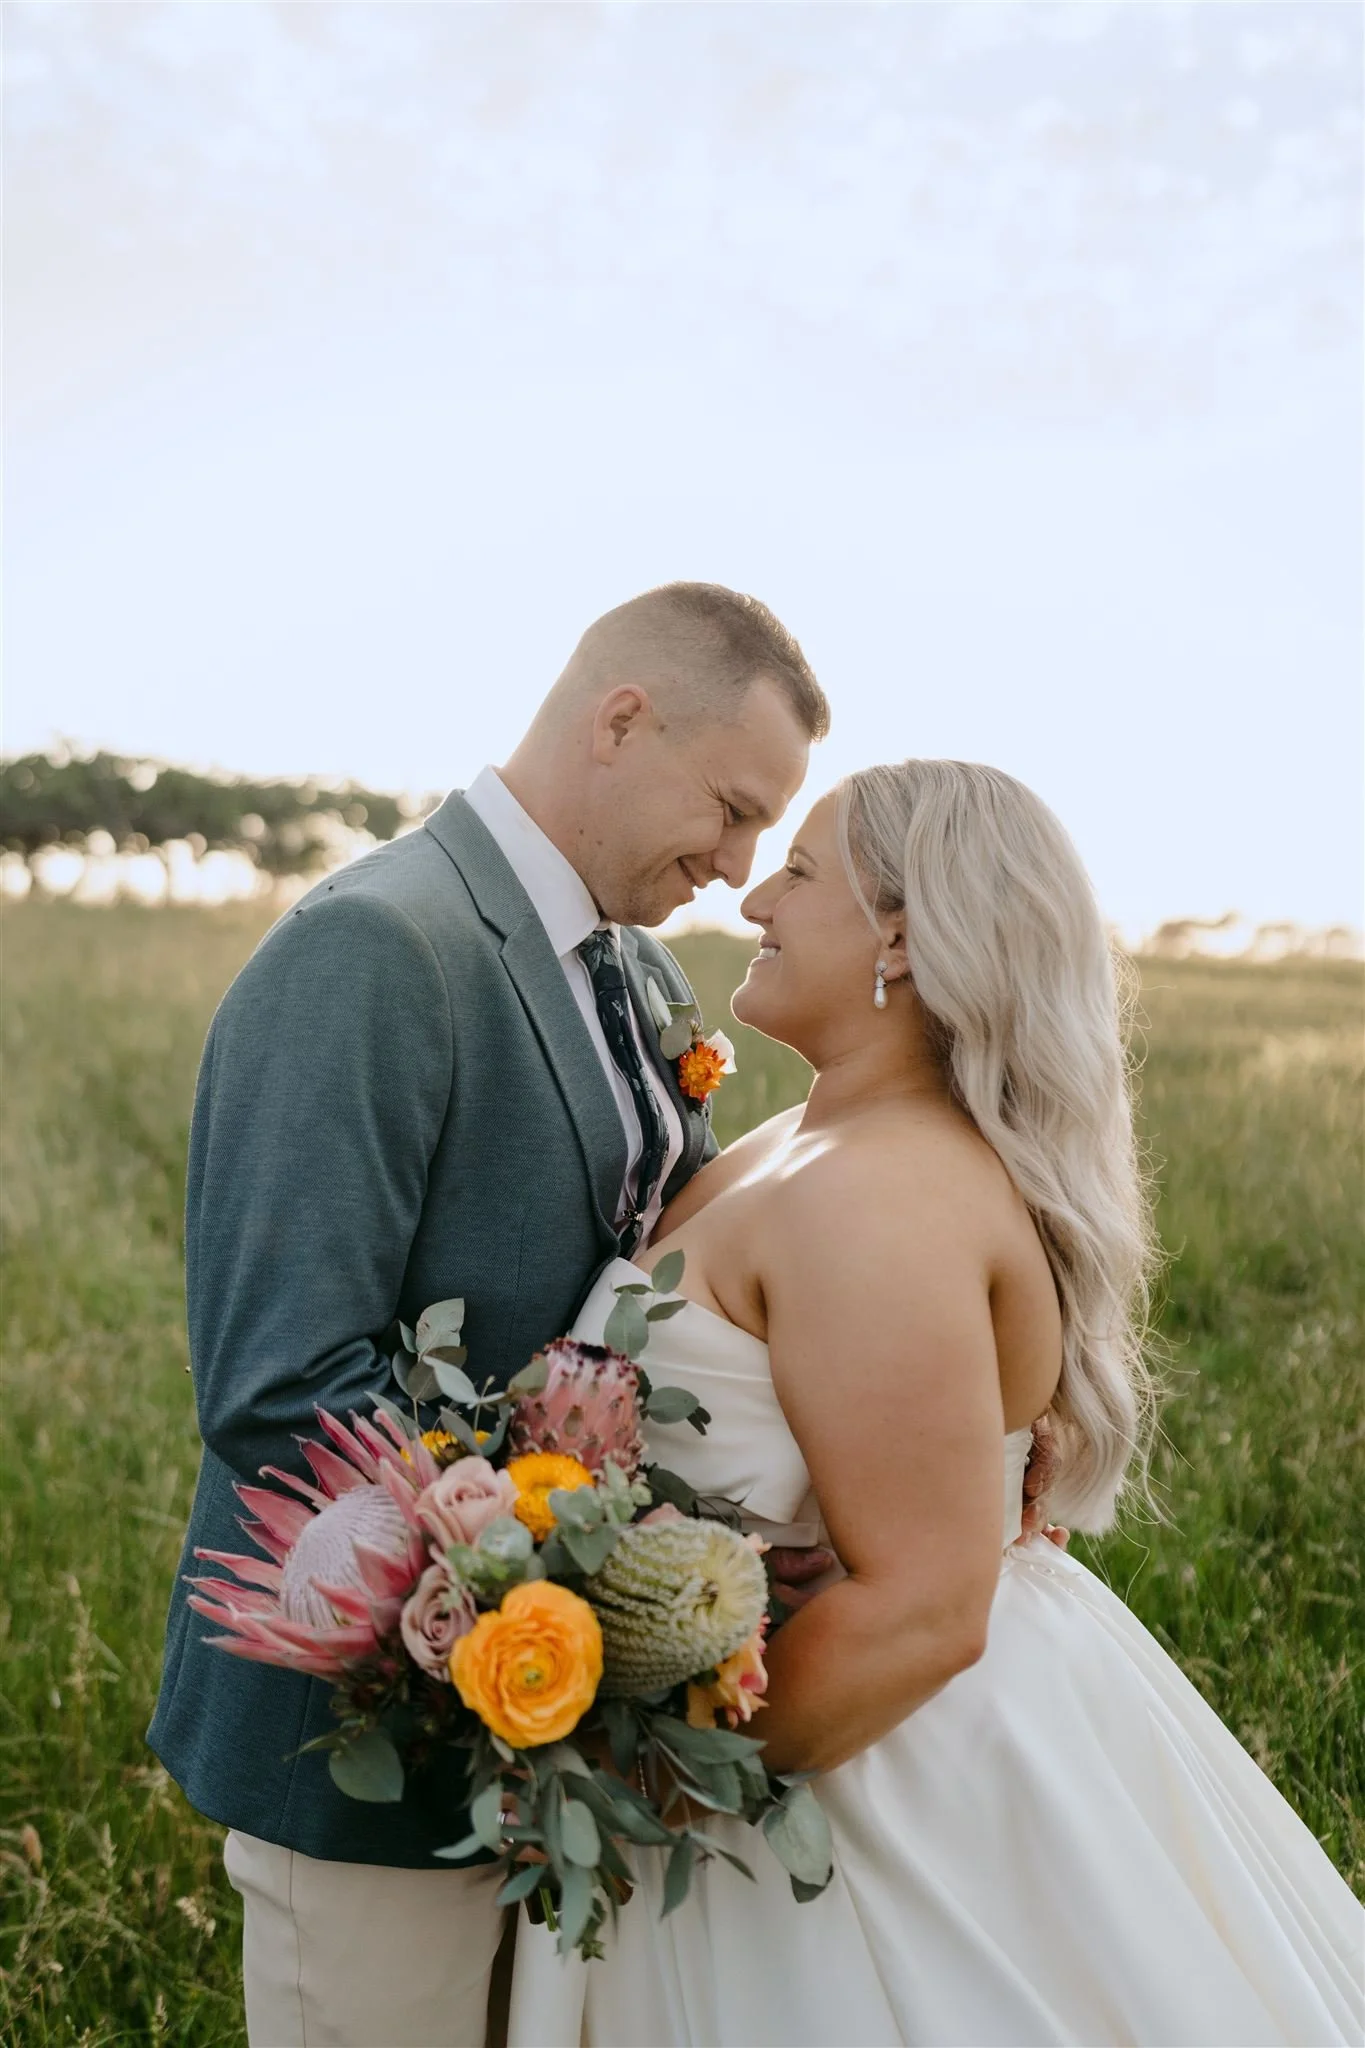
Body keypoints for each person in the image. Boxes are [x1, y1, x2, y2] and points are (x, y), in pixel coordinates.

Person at [507, 761, 1365, 2048]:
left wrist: (651, 1792)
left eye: (797, 871)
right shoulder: (798, 1138)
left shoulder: (880, 1193)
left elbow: (920, 1605)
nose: (756, 903)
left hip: (869, 1778)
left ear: (900, 936)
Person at [148, 582, 826, 2047]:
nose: (736, 863)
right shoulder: (374, 948)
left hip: (555, 1739)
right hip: (369, 1735)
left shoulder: (637, 970)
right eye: (728, 806)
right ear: (621, 719)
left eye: (766, 832)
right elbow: (283, 1384)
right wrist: (579, 1576)